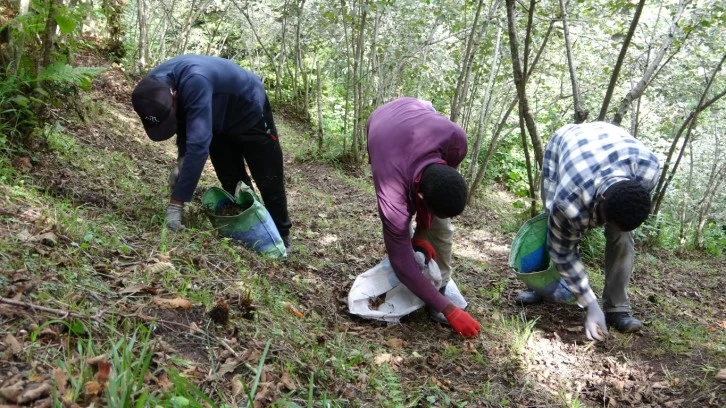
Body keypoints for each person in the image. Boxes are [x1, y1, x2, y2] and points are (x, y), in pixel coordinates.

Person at [131, 55, 292, 251]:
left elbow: (198, 145)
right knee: (232, 180)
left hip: (248, 107)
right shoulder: (151, 89)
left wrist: (176, 204)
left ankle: (282, 236)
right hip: (214, 116)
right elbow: (183, 118)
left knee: (269, 176)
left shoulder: (194, 81)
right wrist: (183, 159)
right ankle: (253, 230)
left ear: (173, 95)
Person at [517, 121, 660, 341]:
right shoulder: (568, 202)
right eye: (605, 221)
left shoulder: (648, 169)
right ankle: (544, 287)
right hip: (566, 144)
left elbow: (626, 211)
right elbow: (564, 252)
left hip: (610, 143)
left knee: (622, 236)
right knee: (552, 224)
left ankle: (617, 308)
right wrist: (590, 306)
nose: (604, 227)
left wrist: (618, 226)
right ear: (601, 201)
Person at [366, 97, 481, 337]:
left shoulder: (456, 140)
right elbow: (401, 264)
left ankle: (440, 285)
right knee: (400, 238)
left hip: (417, 111)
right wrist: (450, 311)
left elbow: (440, 181)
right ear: (419, 196)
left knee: (440, 223)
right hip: (381, 126)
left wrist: (421, 233)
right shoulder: (392, 195)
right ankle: (432, 297)